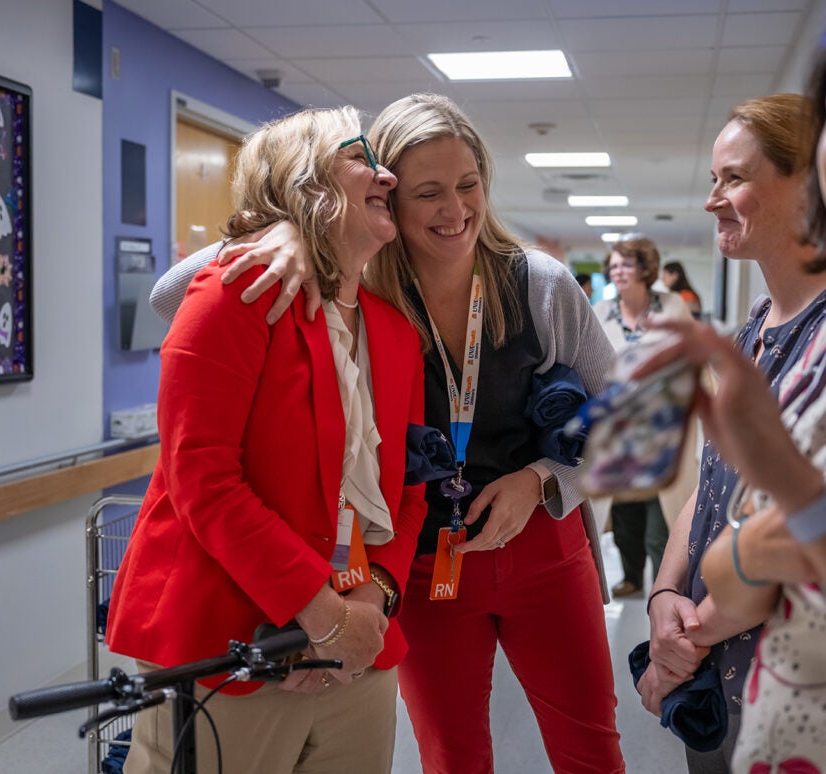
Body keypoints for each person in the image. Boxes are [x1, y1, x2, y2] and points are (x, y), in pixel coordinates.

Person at [153, 93, 624, 774]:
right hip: (427, 564)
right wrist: (284, 229)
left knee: (591, 746)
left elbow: (625, 416)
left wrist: (544, 479)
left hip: (543, 549)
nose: (456, 210)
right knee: (452, 753)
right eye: (428, 192)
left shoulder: (537, 284)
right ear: (390, 199)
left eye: (469, 186)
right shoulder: (361, 288)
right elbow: (172, 294)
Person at [104, 106, 428, 774]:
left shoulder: (395, 336)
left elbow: (407, 495)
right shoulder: (235, 294)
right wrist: (319, 615)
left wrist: (368, 609)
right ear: (306, 182)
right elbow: (205, 481)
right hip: (230, 647)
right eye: (361, 156)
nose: (387, 174)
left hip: (357, 659)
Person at [637, 92, 826, 773]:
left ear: (807, 184)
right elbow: (713, 483)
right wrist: (663, 596)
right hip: (715, 671)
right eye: (714, 179)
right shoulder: (751, 329)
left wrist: (684, 642)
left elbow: (804, 529)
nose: (714, 199)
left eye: (734, 178)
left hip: (787, 675)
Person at [593, 236, 697, 598]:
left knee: (662, 515)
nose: (619, 271)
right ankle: (631, 576)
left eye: (627, 264)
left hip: (663, 429)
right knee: (624, 515)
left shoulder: (671, 306)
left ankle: (664, 584)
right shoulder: (601, 311)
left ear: (645, 268)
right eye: (615, 265)